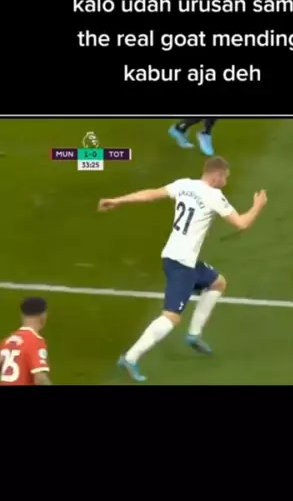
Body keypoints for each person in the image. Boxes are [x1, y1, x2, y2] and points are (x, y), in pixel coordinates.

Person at [98, 156, 268, 383]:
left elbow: (151, 194)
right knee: (171, 317)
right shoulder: (214, 196)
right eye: (225, 177)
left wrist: (118, 201)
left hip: (174, 256)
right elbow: (242, 224)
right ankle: (130, 358)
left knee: (217, 283)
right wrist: (258, 206)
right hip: (182, 265)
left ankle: (194, 335)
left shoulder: (184, 184)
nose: (226, 182)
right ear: (216, 175)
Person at [0, 297, 51, 386]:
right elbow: (40, 379)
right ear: (43, 317)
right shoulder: (35, 341)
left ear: (22, 316)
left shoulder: (7, 341)